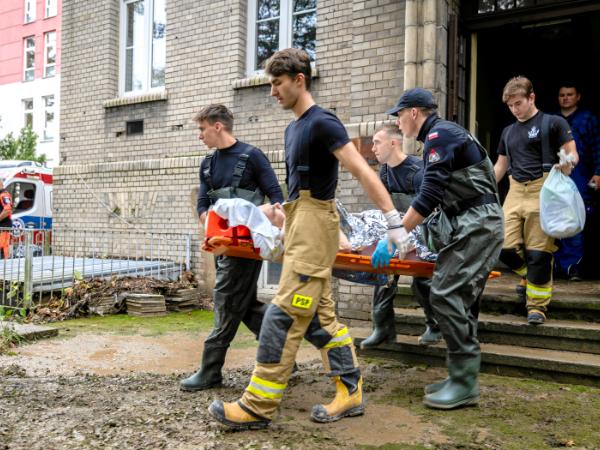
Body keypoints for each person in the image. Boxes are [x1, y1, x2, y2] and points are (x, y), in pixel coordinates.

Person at [208, 48, 405, 430]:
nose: (271, 92)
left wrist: (395, 222)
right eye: (269, 84)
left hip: (316, 221)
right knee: (321, 321)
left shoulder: (321, 122)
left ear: (300, 80)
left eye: (277, 84)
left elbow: (361, 169)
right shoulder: (293, 127)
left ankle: (256, 407)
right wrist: (280, 222)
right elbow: (297, 189)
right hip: (301, 221)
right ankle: (350, 393)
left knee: (282, 316)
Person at [373, 87, 504, 410]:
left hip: (478, 224)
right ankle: (459, 376)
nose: (398, 122)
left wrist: (398, 231)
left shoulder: (440, 135)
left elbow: (430, 192)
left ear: (414, 112)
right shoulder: (442, 136)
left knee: (445, 294)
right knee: (447, 293)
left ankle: (464, 381)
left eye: (399, 115)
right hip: (467, 224)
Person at [179, 104, 284, 392]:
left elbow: (277, 199)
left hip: (247, 248)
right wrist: (214, 222)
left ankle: (210, 371)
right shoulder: (207, 164)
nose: (199, 136)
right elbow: (203, 204)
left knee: (225, 300)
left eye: (202, 129)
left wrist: (253, 220)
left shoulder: (252, 157)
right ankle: (282, 353)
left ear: (217, 126)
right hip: (222, 245)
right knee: (245, 303)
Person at [494, 77, 578, 325]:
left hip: (544, 188)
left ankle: (537, 307)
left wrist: (567, 163)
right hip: (514, 189)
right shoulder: (507, 132)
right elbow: (500, 165)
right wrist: (481, 189)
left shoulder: (554, 123)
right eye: (510, 106)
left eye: (518, 103)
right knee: (503, 246)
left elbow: (572, 153)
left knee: (539, 253)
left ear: (532, 98)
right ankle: (530, 276)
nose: (515, 109)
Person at [360, 124, 441, 349]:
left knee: (422, 281)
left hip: (424, 232)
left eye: (377, 142)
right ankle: (382, 328)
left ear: (393, 143)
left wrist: (411, 238)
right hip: (397, 231)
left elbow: (429, 209)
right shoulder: (385, 171)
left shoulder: (417, 170)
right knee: (383, 273)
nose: (373, 147)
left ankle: (435, 325)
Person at [554, 84, 600, 280]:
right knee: (554, 218)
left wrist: (598, 172)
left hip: (581, 175)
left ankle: (573, 266)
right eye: (562, 95)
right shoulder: (552, 119)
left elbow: (598, 146)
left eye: (569, 94)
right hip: (555, 176)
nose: (565, 98)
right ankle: (556, 266)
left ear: (578, 96)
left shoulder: (588, 119)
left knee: (577, 219)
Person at [0, 180, 13, 260]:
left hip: (3, 227)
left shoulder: (4, 195)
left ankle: (4, 270)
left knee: (2, 249)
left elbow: (7, 210)